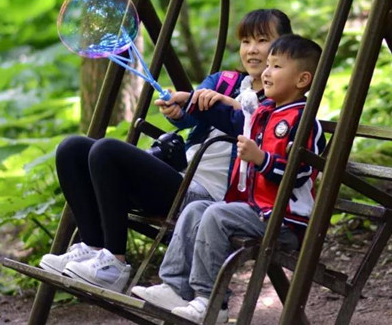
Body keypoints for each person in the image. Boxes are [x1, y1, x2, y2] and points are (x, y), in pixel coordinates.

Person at [38, 9, 292, 293]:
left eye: (262, 40)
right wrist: (178, 108)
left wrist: (220, 103)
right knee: (72, 148)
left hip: (208, 198)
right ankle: (92, 246)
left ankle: (116, 263)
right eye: (246, 41)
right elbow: (189, 115)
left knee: (107, 150)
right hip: (179, 177)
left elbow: (253, 124)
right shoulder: (225, 80)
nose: (252, 50)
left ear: (283, 46)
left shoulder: (281, 100)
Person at [132, 34, 326, 324]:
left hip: (281, 219)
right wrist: (190, 102)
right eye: (268, 65)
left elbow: (299, 173)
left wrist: (261, 159)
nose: (266, 72)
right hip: (252, 209)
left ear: (302, 79)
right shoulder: (263, 113)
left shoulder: (303, 120)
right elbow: (229, 111)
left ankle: (211, 302)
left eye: (276, 67)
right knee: (196, 209)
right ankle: (175, 286)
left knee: (215, 214)